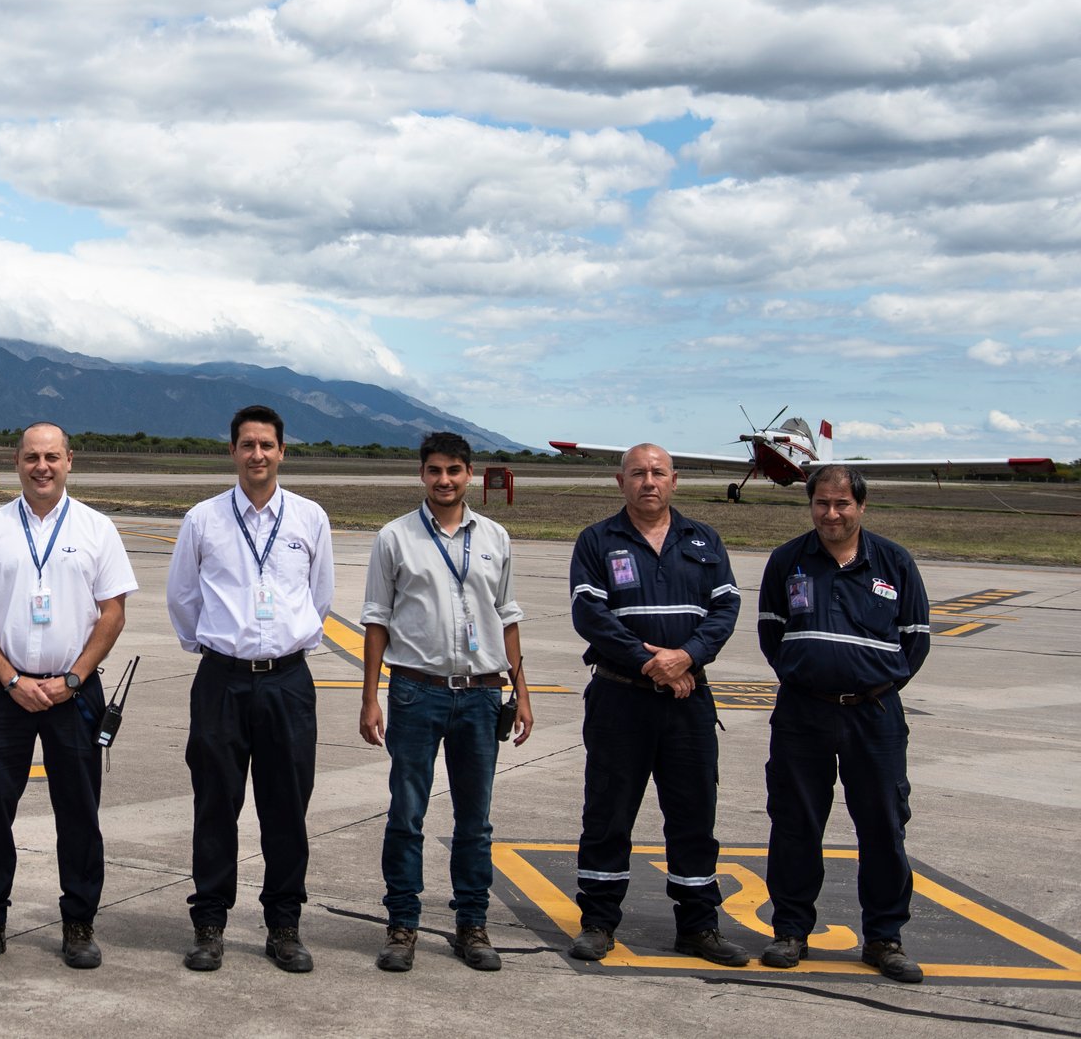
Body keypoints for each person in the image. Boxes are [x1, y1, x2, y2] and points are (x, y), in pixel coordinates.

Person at [0, 422, 136, 969]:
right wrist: (10, 678)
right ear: (16, 462)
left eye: (52, 457)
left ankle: (79, 921)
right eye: (32, 457)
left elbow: (114, 612)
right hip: (3, 690)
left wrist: (73, 678)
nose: (42, 467)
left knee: (79, 811)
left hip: (73, 691)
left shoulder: (98, 529)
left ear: (70, 461)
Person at [165, 405, 336, 973]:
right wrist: (219, 650)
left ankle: (284, 926)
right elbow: (183, 599)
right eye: (247, 445)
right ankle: (210, 923)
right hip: (222, 681)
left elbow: (321, 598)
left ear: (282, 451)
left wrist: (280, 644)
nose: (257, 455)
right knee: (216, 805)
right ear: (233, 451)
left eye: (267, 445)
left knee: (286, 809)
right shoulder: (204, 519)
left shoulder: (309, 518)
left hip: (288, 681)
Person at [566, 444, 748, 966]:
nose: (649, 481)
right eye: (638, 473)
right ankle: (599, 922)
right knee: (608, 810)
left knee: (694, 812)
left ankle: (697, 926)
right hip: (620, 696)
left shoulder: (704, 539)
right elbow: (590, 614)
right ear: (620, 481)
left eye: (658, 473)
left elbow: (726, 607)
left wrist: (687, 657)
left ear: (675, 480)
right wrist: (656, 664)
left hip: (688, 701)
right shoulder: (598, 540)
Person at [359, 431, 532, 973]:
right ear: (421, 475)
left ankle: (471, 924)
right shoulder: (394, 537)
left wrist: (521, 692)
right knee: (407, 814)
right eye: (434, 470)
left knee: (474, 820)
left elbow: (507, 616)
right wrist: (370, 697)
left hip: (481, 695)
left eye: (454, 470)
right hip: (416, 691)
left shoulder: (496, 537)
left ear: (470, 474)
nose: (444, 480)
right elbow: (376, 619)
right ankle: (403, 924)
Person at [756, 466, 930, 984]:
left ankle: (884, 938)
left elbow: (915, 638)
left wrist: (872, 683)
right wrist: (810, 675)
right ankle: (790, 931)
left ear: (861, 506)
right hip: (802, 713)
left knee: (882, 826)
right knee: (795, 822)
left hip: (874, 716)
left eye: (842, 505)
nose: (832, 514)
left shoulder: (894, 562)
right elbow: (771, 634)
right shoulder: (787, 560)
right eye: (822, 504)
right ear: (810, 505)